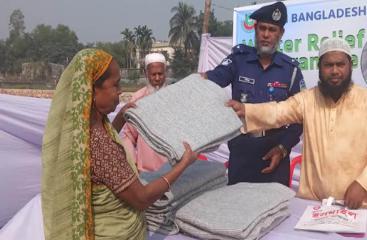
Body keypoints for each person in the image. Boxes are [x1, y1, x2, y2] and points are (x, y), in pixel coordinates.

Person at [41, 49, 198, 240]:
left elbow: (110, 140)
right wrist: (183, 164)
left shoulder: (86, 130)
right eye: (115, 84)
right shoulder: (99, 143)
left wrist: (121, 117)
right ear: (92, 90)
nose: (120, 90)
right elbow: (141, 199)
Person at [227, 38, 367, 209]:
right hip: (315, 203)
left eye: (340, 64)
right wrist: (247, 110)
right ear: (319, 67)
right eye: (328, 65)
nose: (335, 71)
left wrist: (364, 184)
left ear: (350, 66)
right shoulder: (307, 100)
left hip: (359, 204)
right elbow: (278, 112)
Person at [203, 1, 304, 185]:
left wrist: (283, 148)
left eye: (272, 30)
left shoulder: (291, 70)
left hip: (275, 151)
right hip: (242, 149)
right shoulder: (238, 60)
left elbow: (299, 118)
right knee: (238, 208)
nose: (266, 35)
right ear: (255, 30)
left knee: (276, 209)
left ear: (280, 34)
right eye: (262, 28)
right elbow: (211, 81)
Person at [112, 52, 169, 172]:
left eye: (160, 74)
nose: (157, 78)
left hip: (173, 168)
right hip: (146, 171)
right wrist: (133, 163)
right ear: (145, 73)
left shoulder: (175, 97)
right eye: (153, 75)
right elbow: (129, 136)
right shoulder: (137, 100)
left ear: (166, 72)